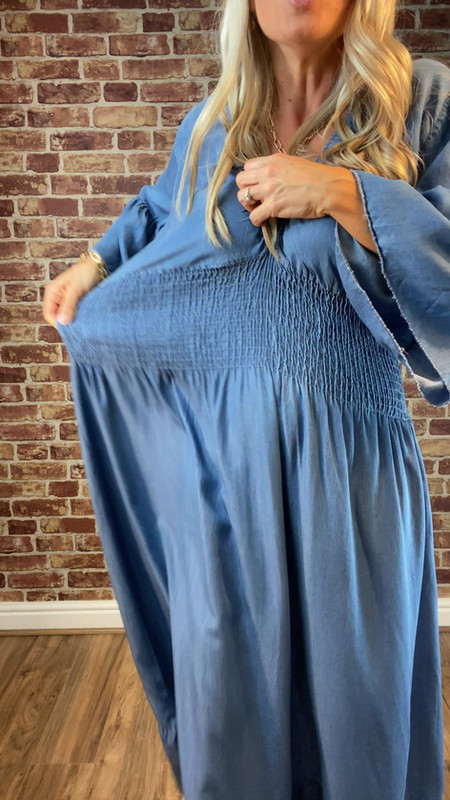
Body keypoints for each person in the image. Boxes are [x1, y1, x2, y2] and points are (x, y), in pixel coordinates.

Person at [42, 0, 450, 797]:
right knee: (229, 710)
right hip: (215, 482)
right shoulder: (212, 128)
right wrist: (94, 263)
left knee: (357, 717)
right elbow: (158, 211)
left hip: (349, 479)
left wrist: (342, 193)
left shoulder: (422, 101)